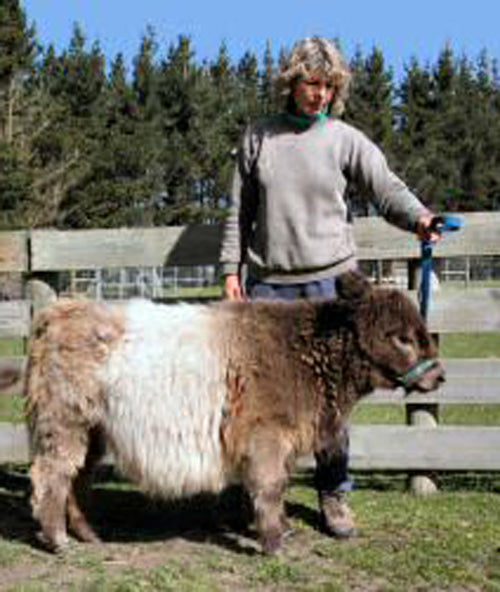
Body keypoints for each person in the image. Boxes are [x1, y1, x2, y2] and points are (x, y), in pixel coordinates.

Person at [219, 36, 440, 539]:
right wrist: (231, 270)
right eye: (310, 83)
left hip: (332, 288)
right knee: (256, 403)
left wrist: (420, 218)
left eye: (327, 85)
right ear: (291, 83)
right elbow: (238, 212)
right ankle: (255, 495)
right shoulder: (259, 138)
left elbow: (387, 189)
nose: (318, 94)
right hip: (268, 291)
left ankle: (334, 493)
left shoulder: (344, 139)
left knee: (331, 405)